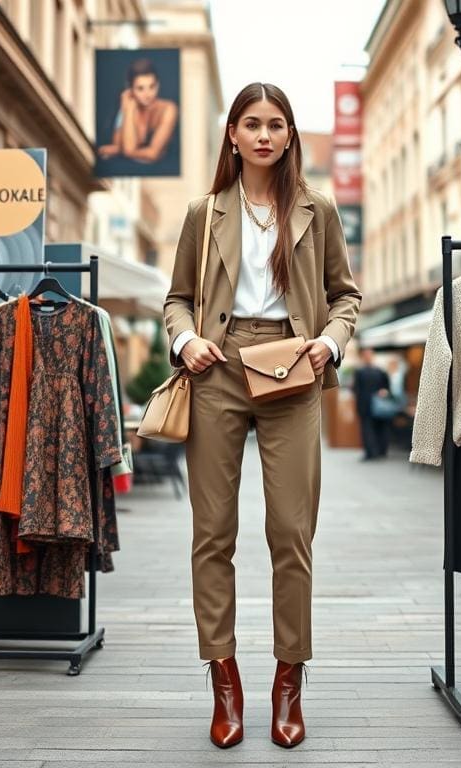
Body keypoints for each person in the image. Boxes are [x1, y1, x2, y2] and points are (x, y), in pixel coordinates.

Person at [163, 82, 361, 749]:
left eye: (276, 124)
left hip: (295, 371)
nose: (265, 135)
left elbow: (346, 297)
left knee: (290, 533)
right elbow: (177, 299)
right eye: (252, 124)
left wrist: (329, 342)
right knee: (212, 533)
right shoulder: (204, 212)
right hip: (215, 369)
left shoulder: (318, 208)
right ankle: (223, 680)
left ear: (289, 135)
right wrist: (185, 339)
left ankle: (288, 679)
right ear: (233, 134)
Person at [97, 58, 178, 164]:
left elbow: (152, 154)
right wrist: (128, 109)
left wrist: (122, 150)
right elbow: (118, 144)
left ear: (158, 85)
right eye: (140, 88)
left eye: (152, 86)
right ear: (130, 90)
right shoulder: (128, 105)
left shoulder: (168, 109)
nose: (148, 94)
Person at [353, 348, 391, 460]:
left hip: (368, 405)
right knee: (375, 429)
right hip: (376, 406)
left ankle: (373, 452)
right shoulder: (379, 371)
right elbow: (387, 387)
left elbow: (356, 389)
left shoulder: (361, 372)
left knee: (369, 429)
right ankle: (378, 452)